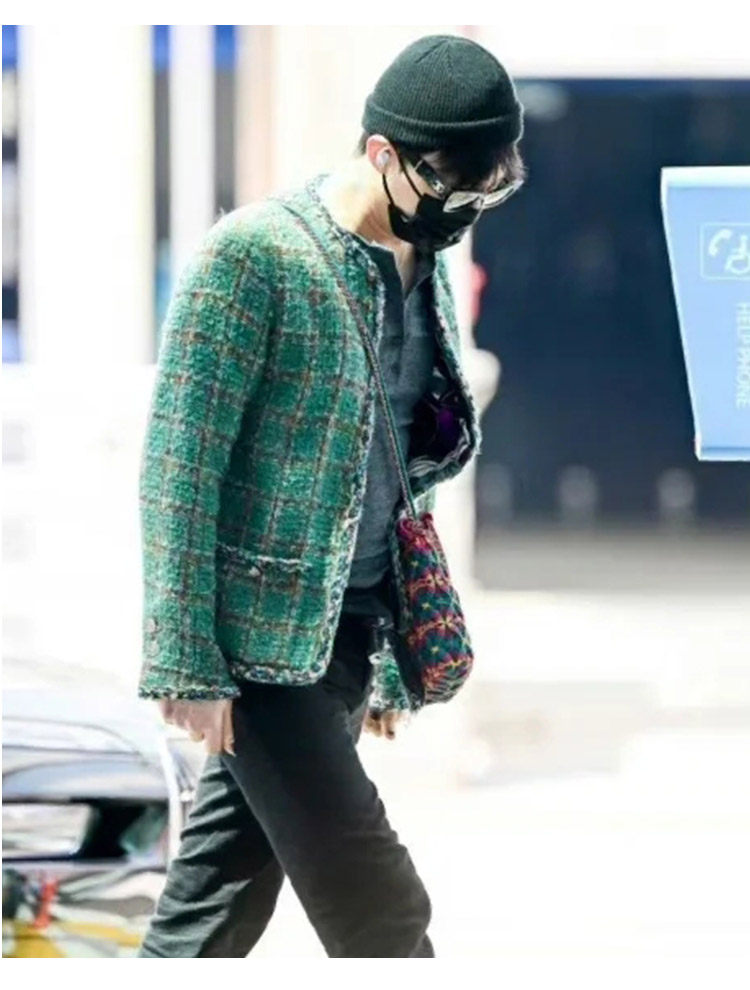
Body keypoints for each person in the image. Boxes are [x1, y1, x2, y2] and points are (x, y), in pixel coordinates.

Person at [136, 33, 526, 958]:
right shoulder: (254, 257)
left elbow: (398, 472)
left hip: (352, 634)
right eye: (451, 188)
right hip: (260, 652)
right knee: (381, 908)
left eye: (487, 193)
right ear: (383, 152)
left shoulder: (421, 263)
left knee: (212, 908)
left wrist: (390, 660)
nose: (462, 211)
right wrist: (186, 663)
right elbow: (179, 467)